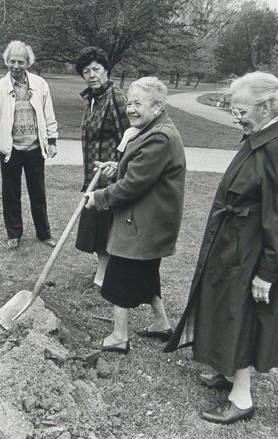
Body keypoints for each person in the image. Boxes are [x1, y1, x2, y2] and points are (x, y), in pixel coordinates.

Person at [164, 72, 278, 425]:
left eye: (241, 109)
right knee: (224, 309)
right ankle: (228, 372)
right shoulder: (259, 136)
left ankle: (241, 398)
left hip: (253, 252)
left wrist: (268, 271)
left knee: (242, 315)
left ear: (265, 106)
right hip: (234, 243)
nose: (235, 115)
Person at [84, 77, 186, 354]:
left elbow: (134, 184)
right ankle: (161, 323)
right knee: (146, 273)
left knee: (119, 275)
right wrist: (116, 168)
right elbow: (140, 170)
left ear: (157, 106)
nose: (130, 108)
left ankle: (119, 336)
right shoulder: (154, 129)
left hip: (144, 223)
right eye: (129, 102)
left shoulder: (160, 137)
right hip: (150, 221)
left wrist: (99, 197)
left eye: (138, 103)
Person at [0, 41, 58, 249]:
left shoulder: (40, 84)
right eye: (12, 61)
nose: (16, 66)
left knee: (38, 193)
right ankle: (14, 233)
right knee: (11, 194)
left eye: (20, 61)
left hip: (35, 148)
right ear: (7, 61)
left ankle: (44, 234)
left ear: (28, 62)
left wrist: (51, 141)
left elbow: (48, 114)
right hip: (11, 151)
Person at [73, 47, 130, 287]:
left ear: (106, 70)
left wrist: (117, 165)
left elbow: (129, 136)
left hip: (109, 178)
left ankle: (103, 276)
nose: (91, 74)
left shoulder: (115, 97)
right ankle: (102, 271)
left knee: (105, 228)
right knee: (94, 228)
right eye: (86, 71)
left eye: (96, 69)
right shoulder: (93, 100)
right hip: (92, 176)